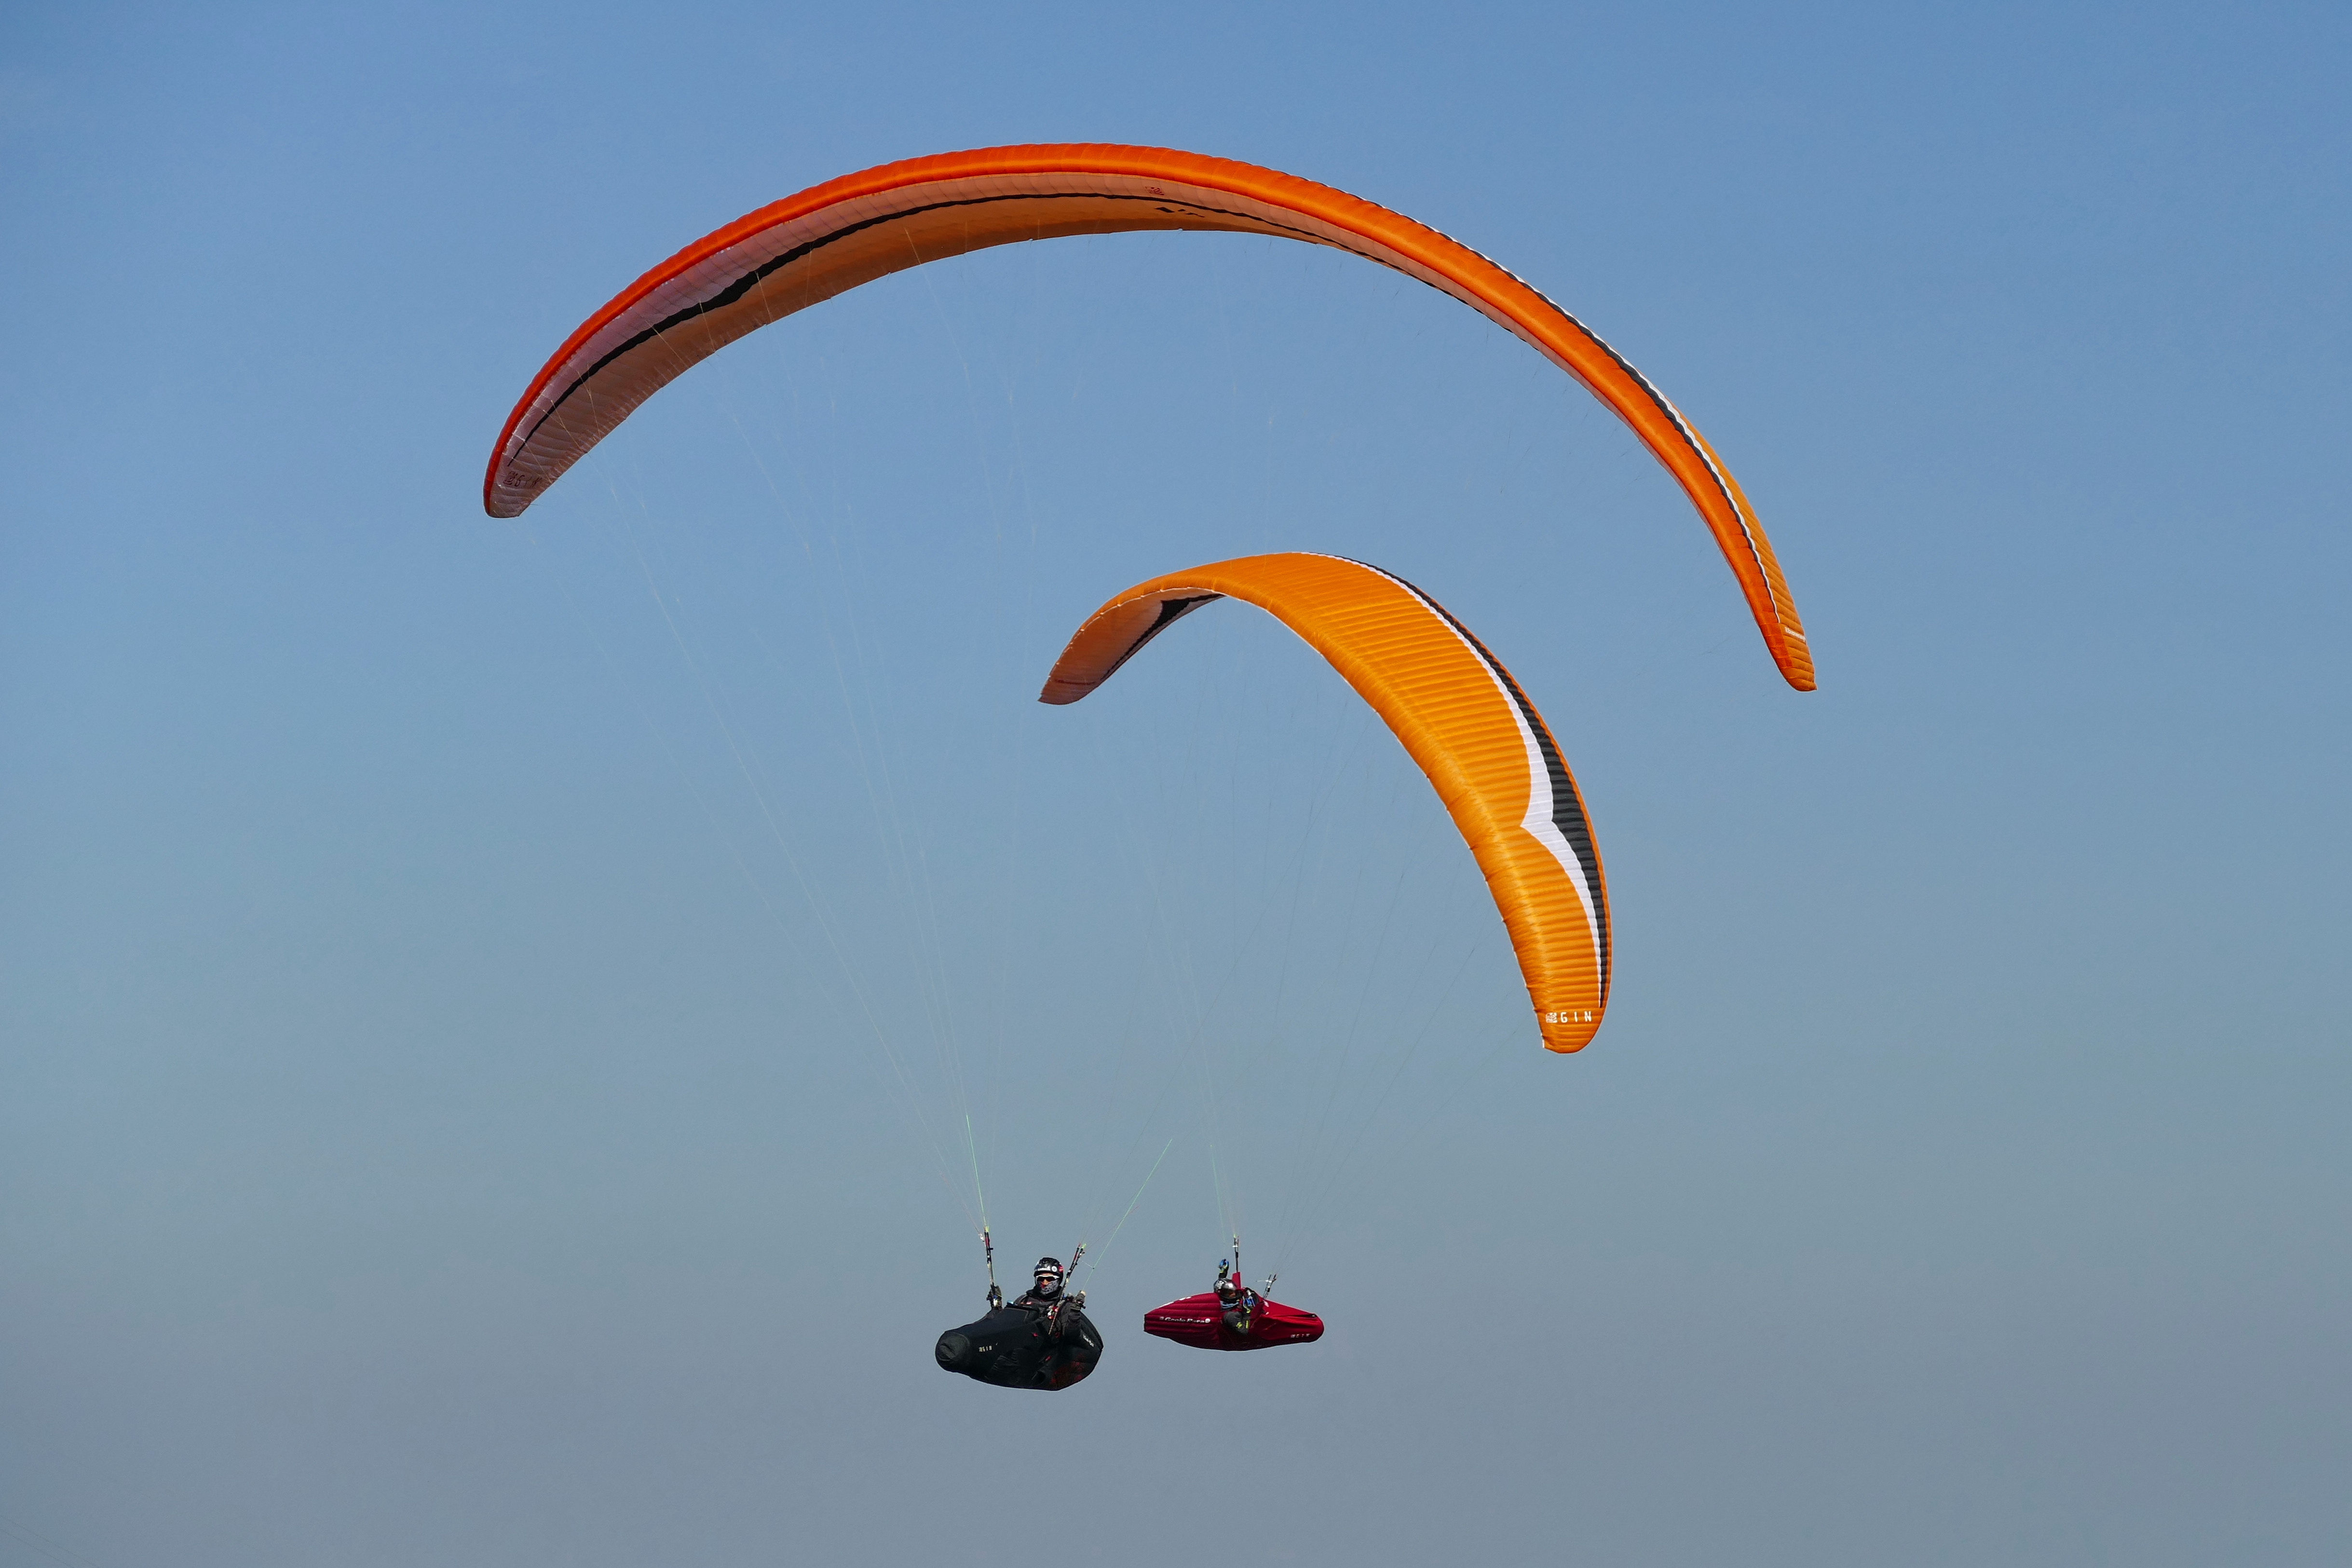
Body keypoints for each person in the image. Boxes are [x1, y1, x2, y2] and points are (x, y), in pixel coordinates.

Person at [1011, 1256, 1082, 1335]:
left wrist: (1075, 1312)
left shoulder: (1064, 1305)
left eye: (1050, 1279)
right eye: (1041, 1279)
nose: (1045, 1283)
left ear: (1059, 1280)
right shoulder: (1023, 1299)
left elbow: (1071, 1336)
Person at [1214, 1261, 1262, 1336]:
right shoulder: (1230, 1316)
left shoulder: (1222, 1298)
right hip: (1243, 1336)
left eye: (1233, 1291)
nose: (1233, 1294)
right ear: (1223, 1295)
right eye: (1230, 1293)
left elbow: (1220, 1287)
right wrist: (1247, 1313)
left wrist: (1223, 1273)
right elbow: (1244, 1331)